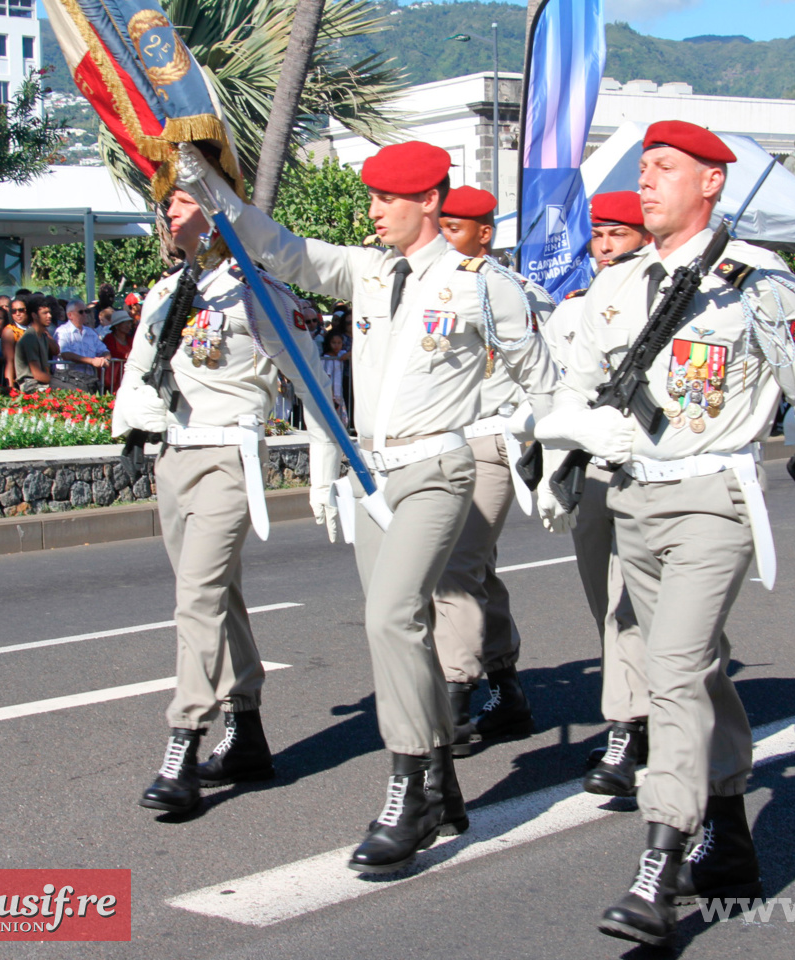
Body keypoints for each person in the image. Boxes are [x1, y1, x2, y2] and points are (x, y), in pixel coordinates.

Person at [535, 121, 795, 946]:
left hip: (712, 500)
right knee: (699, 672)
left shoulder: (756, 282)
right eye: (643, 168)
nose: (645, 182)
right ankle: (731, 829)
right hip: (629, 501)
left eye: (664, 169)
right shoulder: (617, 286)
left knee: (674, 673)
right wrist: (566, 450)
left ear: (712, 183)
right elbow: (570, 389)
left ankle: (662, 858)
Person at [181, 140, 559, 873]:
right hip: (372, 476)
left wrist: (557, 463)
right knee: (403, 631)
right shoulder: (368, 269)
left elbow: (545, 383)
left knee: (392, 615)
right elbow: (281, 250)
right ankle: (444, 778)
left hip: (437, 468)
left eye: (389, 197)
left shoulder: (480, 285)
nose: (374, 209)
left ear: (430, 201)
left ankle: (410, 788)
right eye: (373, 196)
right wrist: (211, 190)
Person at [112, 185, 344, 816]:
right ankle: (247, 731)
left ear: (214, 213)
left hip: (227, 458)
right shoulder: (166, 292)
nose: (167, 210)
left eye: (181, 199)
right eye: (165, 202)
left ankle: (183, 741)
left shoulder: (255, 291)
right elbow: (137, 367)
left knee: (198, 598)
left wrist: (326, 467)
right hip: (175, 457)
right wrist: (133, 414)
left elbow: (311, 379)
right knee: (217, 597)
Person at [432, 183, 555, 755]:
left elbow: (543, 370)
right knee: (476, 571)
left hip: (489, 440)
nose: (442, 236)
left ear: (485, 233)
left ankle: (455, 701)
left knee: (454, 570)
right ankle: (508, 692)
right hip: (445, 443)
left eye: (454, 227)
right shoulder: (433, 283)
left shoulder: (502, 289)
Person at [539, 190, 654, 796]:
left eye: (620, 235)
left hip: (648, 466)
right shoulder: (571, 312)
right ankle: (638, 705)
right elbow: (562, 396)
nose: (607, 247)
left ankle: (628, 726)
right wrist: (552, 474)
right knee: (602, 604)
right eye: (600, 237)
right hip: (591, 470)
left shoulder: (665, 296)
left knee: (629, 603)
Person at [12, 294, 64, 392]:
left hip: (42, 382)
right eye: (45, 313)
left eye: (49, 312)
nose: (49, 316)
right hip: (30, 384)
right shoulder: (30, 337)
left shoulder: (43, 336)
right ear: (34, 315)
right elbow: (37, 374)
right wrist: (59, 382)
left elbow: (56, 350)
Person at [55, 299, 111, 386]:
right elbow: (65, 354)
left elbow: (104, 350)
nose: (85, 314)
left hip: (89, 381)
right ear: (70, 315)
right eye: (81, 312)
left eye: (86, 311)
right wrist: (91, 361)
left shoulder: (91, 333)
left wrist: (105, 360)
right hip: (68, 381)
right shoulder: (62, 331)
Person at [102, 311, 134, 391]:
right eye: (126, 323)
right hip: (113, 378)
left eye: (129, 323)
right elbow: (110, 352)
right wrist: (125, 356)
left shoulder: (130, 340)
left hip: (127, 376)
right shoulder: (109, 338)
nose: (129, 326)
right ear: (117, 325)